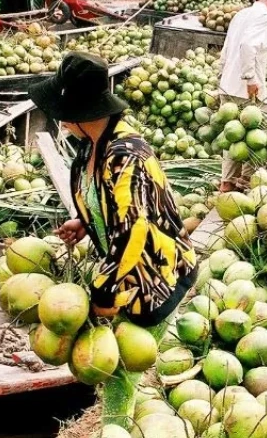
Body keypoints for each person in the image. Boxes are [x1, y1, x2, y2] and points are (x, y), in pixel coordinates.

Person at [29, 53, 198, 327]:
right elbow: (112, 204)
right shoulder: (90, 145)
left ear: (77, 112)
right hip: (125, 274)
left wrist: (102, 292)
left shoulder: (125, 155)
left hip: (156, 279)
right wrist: (88, 222)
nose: (60, 120)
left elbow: (133, 229)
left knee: (124, 364)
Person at [216, 0, 267, 192]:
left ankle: (227, 182)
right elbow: (247, 46)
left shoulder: (241, 14)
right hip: (246, 88)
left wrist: (221, 75)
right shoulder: (264, 17)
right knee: (260, 132)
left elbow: (227, 47)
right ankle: (247, 180)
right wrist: (250, 78)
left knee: (233, 136)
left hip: (228, 85)